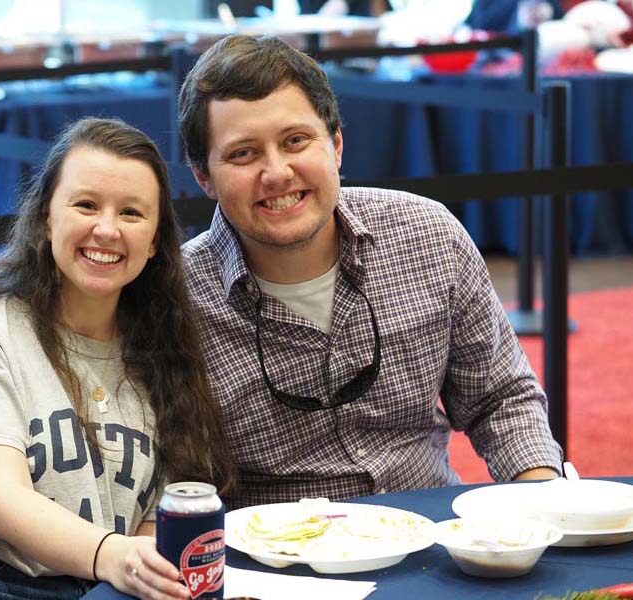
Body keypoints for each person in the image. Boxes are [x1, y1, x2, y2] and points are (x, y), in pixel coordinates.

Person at [177, 34, 562, 510]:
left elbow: (501, 400)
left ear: (335, 145)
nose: (276, 173)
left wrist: (544, 507)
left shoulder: (427, 235)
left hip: (432, 534)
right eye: (243, 154)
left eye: (296, 141)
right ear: (203, 178)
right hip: (274, 560)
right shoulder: (176, 298)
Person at [0, 117, 234, 600]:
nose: (106, 229)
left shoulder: (167, 358)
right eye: (85, 205)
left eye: (131, 213)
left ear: (154, 241)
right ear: (46, 218)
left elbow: (152, 528)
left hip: (97, 584)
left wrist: (148, 572)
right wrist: (114, 556)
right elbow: (3, 502)